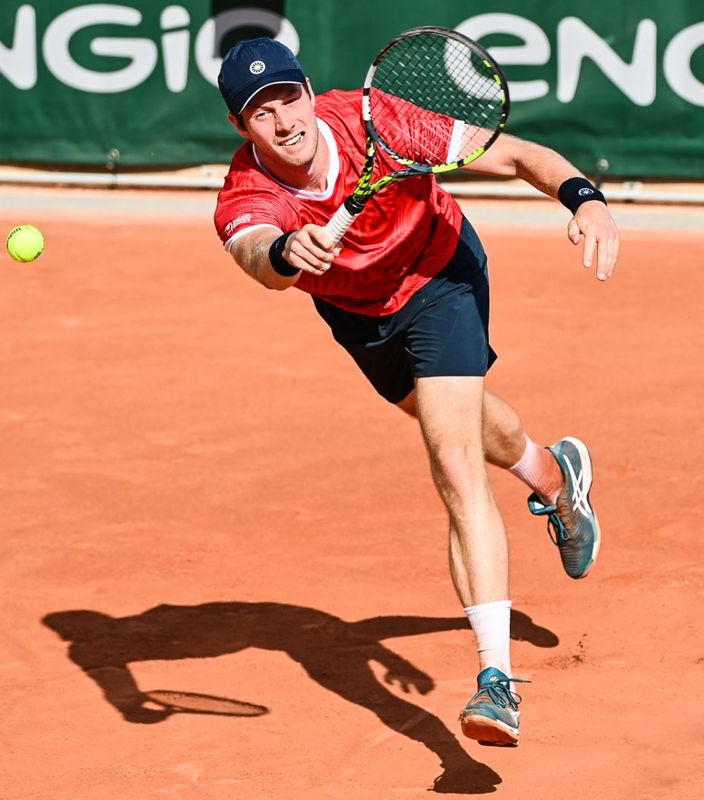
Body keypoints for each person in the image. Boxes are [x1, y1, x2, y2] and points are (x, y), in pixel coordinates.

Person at [213, 37, 620, 748]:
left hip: (439, 275)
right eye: (260, 113)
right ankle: (556, 475)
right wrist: (284, 252)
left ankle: (497, 682)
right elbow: (256, 257)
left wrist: (585, 198)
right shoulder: (247, 192)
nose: (283, 121)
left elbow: (517, 154)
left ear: (309, 91)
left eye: (288, 98)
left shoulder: (381, 122)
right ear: (241, 129)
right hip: (357, 311)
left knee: (453, 459)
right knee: (447, 420)